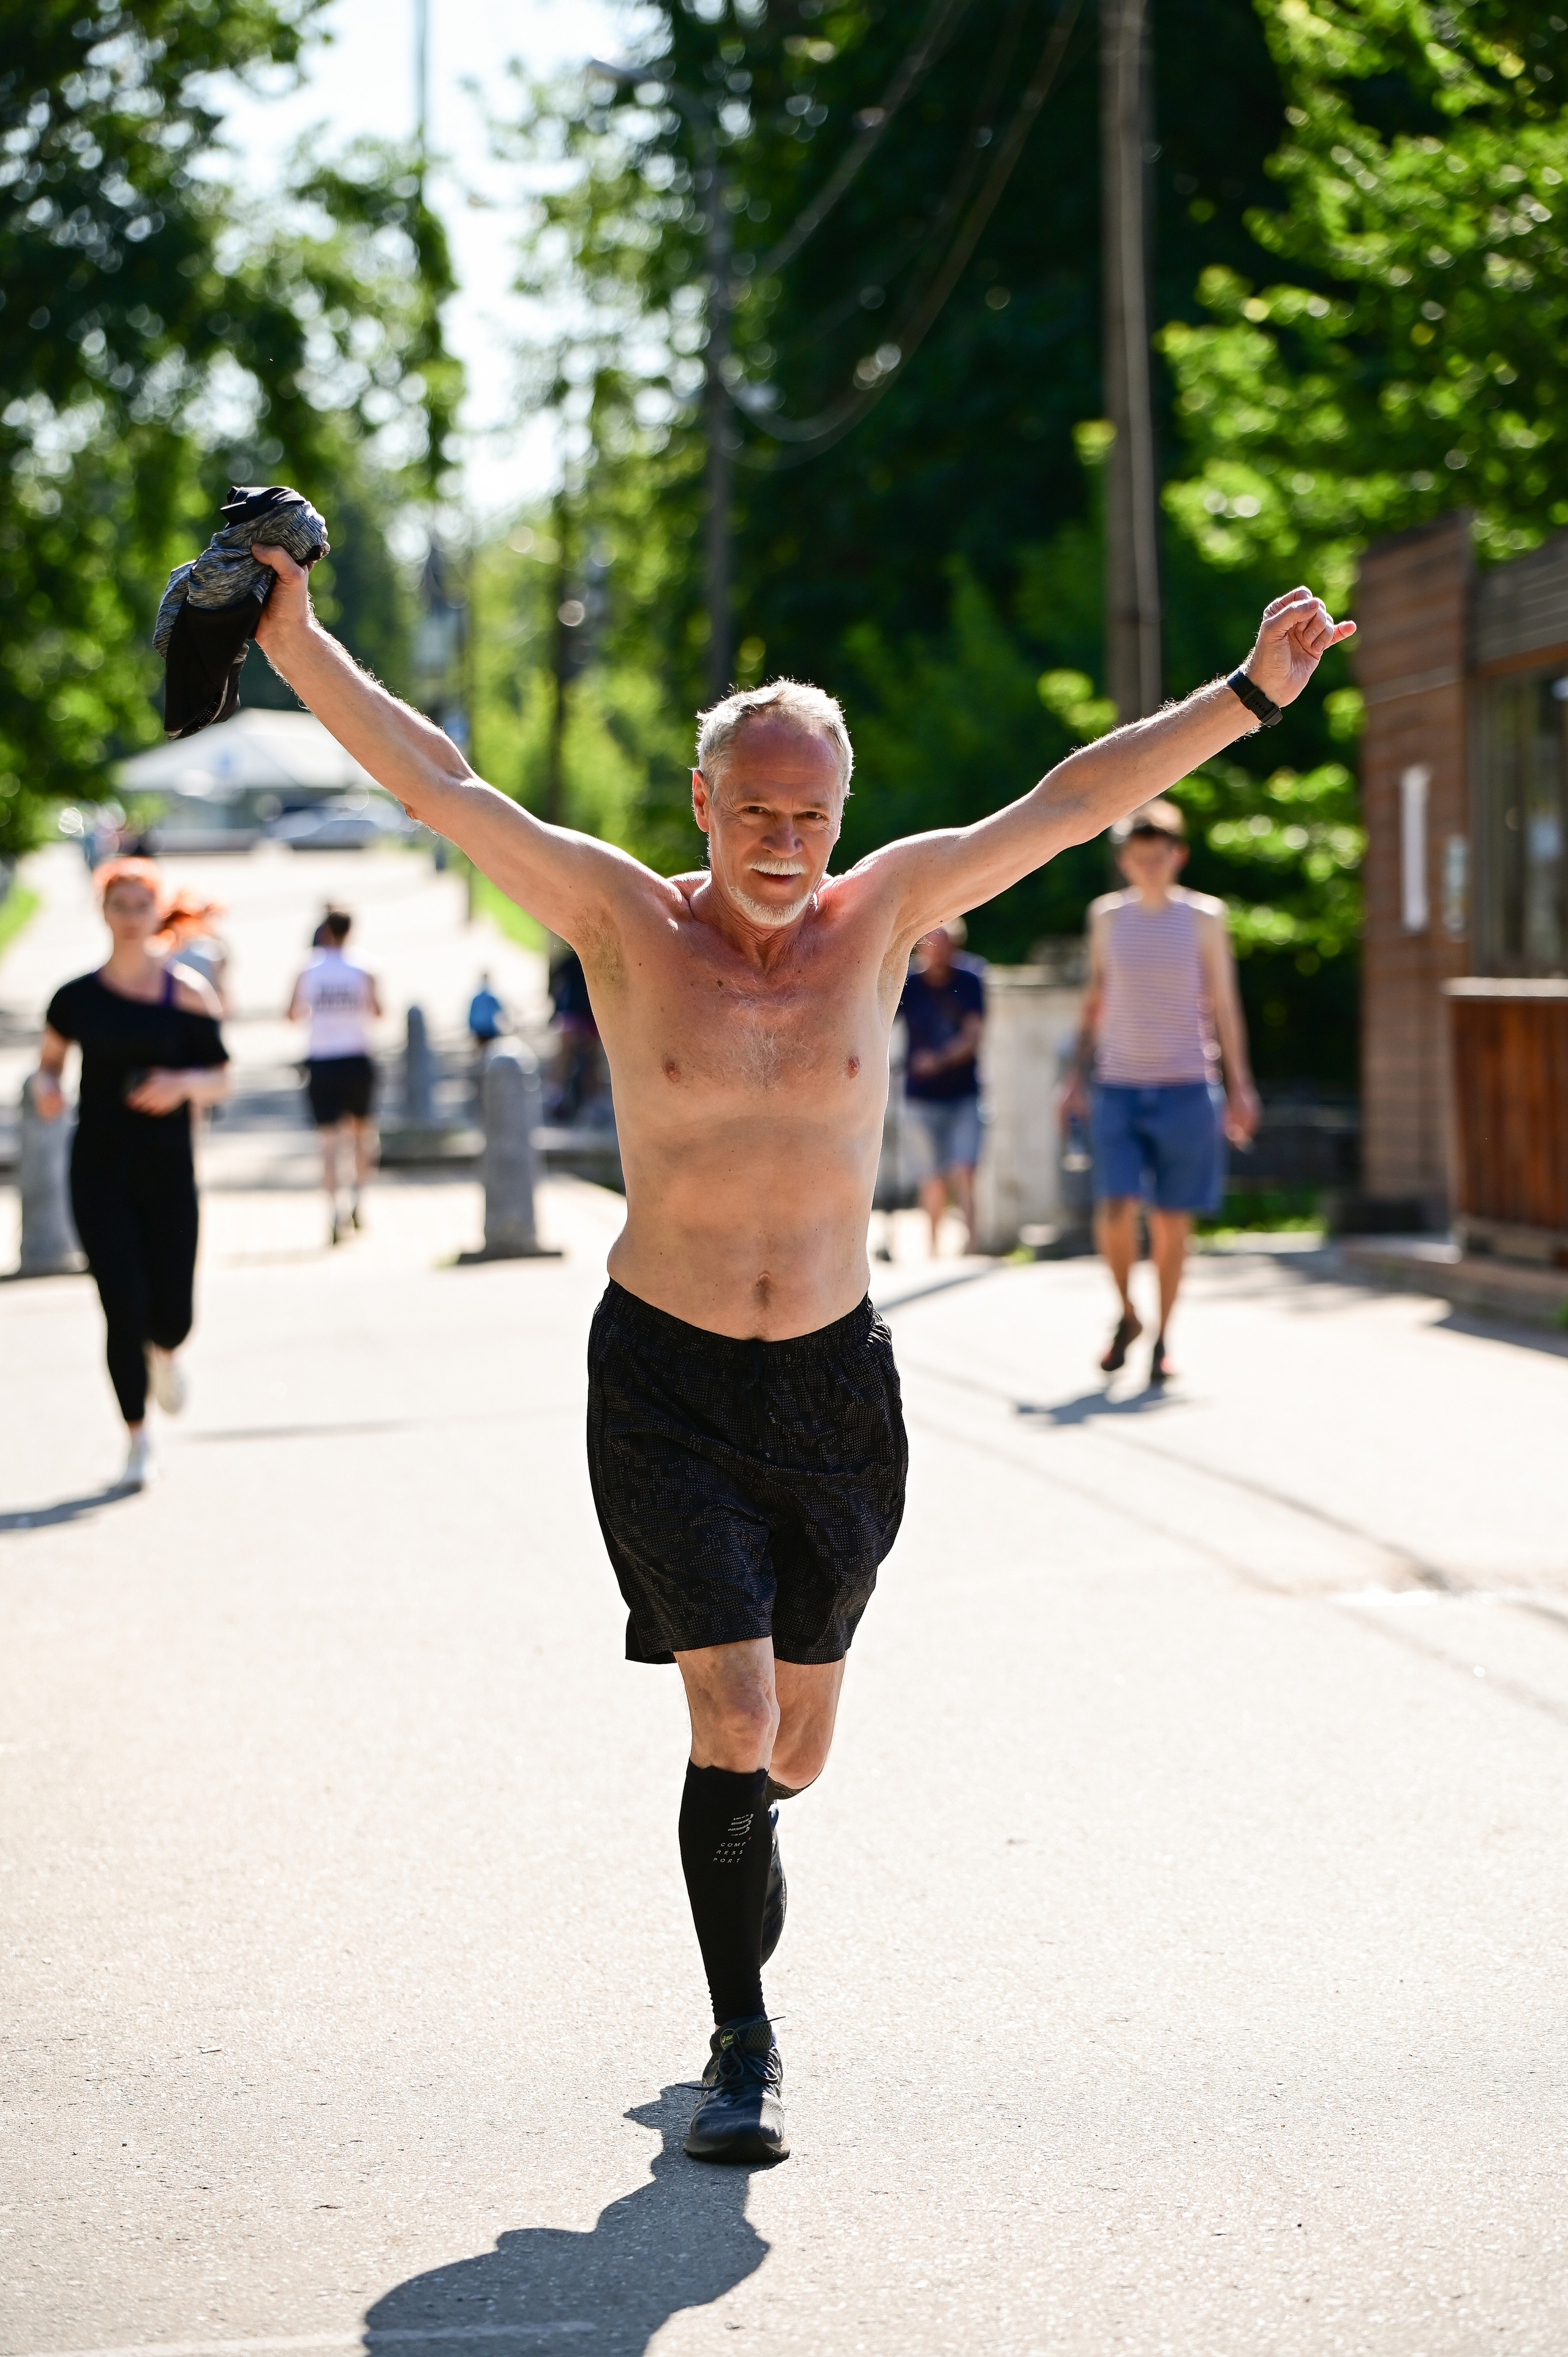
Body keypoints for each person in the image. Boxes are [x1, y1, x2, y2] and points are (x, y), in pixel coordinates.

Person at [251, 541, 1351, 2165]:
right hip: (664, 1382)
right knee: (736, 1714)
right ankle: (743, 2040)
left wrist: (1251, 695)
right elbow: (443, 780)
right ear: (702, 800)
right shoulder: (619, 915)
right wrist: (295, 635)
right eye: (754, 810)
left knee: (798, 1749)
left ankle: (744, 1877)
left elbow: (1067, 797)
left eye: (809, 814)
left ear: (842, 811)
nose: (783, 842)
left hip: (835, 1383)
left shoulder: (886, 908)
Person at [30, 858, 230, 1491]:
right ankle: (137, 1437)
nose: (129, 915)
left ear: (157, 911)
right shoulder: (76, 998)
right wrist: (46, 1091)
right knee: (121, 1303)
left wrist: (181, 1083)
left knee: (171, 1315)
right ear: (104, 911)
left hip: (168, 1168)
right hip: (99, 1168)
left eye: (141, 903)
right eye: (118, 903)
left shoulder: (187, 993)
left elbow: (221, 1075)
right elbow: (49, 1067)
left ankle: (164, 1353)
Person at [1061, 798, 1260, 1385]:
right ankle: (1127, 1314)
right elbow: (1095, 999)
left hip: (1187, 1087)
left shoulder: (1205, 918)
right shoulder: (1105, 918)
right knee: (1115, 1209)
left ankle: (1165, 1337)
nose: (1149, 866)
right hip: (1118, 1085)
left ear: (1179, 855)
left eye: (1160, 855)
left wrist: (1242, 1086)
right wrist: (1073, 1077)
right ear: (1125, 860)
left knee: (1173, 1221)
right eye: (1138, 856)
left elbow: (1226, 1005)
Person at [287, 908, 382, 1245]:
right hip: (357, 1056)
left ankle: (332, 1209)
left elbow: (292, 1013)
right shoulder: (364, 967)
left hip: (322, 1060)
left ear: (326, 930)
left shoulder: (308, 968)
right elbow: (379, 1011)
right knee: (362, 1135)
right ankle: (358, 1197)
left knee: (328, 1142)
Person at [897, 918, 986, 1255]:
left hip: (963, 1092)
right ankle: (933, 1250)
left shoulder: (970, 979)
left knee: (965, 1169)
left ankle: (972, 1246)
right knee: (931, 1177)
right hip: (921, 1095)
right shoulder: (910, 984)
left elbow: (973, 1035)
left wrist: (940, 1060)